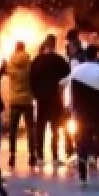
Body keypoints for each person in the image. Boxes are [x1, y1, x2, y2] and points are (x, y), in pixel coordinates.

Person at [67, 45, 99, 186]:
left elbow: (69, 95)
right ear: (96, 56)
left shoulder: (76, 71)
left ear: (85, 56)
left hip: (81, 115)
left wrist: (72, 111)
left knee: (82, 143)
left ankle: (83, 177)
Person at [28, 34, 71, 166]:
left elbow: (31, 79)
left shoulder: (37, 60)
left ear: (45, 44)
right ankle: (55, 156)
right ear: (54, 44)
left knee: (40, 127)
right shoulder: (60, 60)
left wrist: (35, 94)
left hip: (41, 99)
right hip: (55, 98)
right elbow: (68, 75)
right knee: (55, 128)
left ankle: (40, 156)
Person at [5, 41, 35, 168]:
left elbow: (6, 74)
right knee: (30, 129)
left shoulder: (10, 64)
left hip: (15, 100)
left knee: (13, 129)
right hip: (27, 100)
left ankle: (12, 154)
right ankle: (32, 154)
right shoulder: (30, 64)